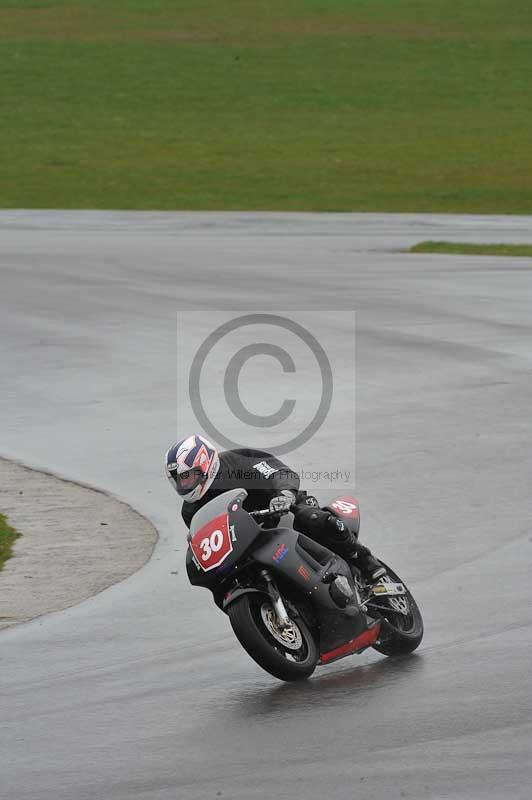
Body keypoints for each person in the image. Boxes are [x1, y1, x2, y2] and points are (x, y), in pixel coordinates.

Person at [165, 433, 386, 584]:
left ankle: (366, 562)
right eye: (179, 480)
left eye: (187, 476)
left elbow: (280, 473)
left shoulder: (238, 461)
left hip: (283, 512)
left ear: (204, 464)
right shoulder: (190, 512)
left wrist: (285, 495)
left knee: (311, 519)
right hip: (250, 542)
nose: (183, 484)